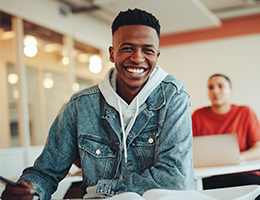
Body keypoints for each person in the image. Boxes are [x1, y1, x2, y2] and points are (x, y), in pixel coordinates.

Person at [1, 8, 194, 200]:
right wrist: (29, 190)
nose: (137, 58)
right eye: (127, 48)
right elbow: (45, 172)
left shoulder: (173, 95)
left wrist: (97, 190)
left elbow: (175, 179)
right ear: (112, 54)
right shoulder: (80, 105)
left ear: (157, 56)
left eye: (148, 50)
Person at [192, 74, 260, 193]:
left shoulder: (245, 112)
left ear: (231, 91)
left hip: (243, 175)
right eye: (211, 87)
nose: (215, 91)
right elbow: (189, 149)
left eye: (221, 86)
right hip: (209, 177)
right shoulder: (198, 116)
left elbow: (258, 147)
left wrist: (240, 157)